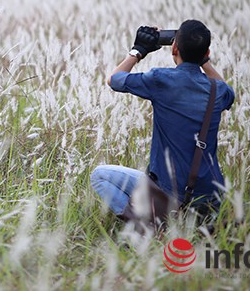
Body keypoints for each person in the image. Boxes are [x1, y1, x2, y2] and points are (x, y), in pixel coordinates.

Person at [91, 20, 235, 220]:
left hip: (171, 192)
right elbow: (229, 92)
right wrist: (204, 61)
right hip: (211, 197)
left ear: (174, 47)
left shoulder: (161, 79)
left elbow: (114, 80)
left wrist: (138, 51)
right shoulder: (217, 90)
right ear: (207, 52)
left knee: (100, 176)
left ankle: (151, 226)